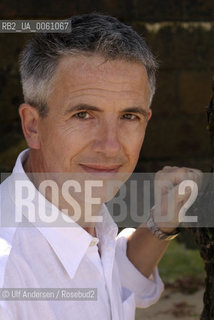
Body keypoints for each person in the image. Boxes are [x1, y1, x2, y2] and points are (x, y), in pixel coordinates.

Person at [0, 12, 201, 320]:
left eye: (128, 117)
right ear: (33, 125)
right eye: (83, 115)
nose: (110, 146)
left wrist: (161, 224)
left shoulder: (78, 202)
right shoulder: (7, 273)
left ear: (146, 120)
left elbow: (113, 281)